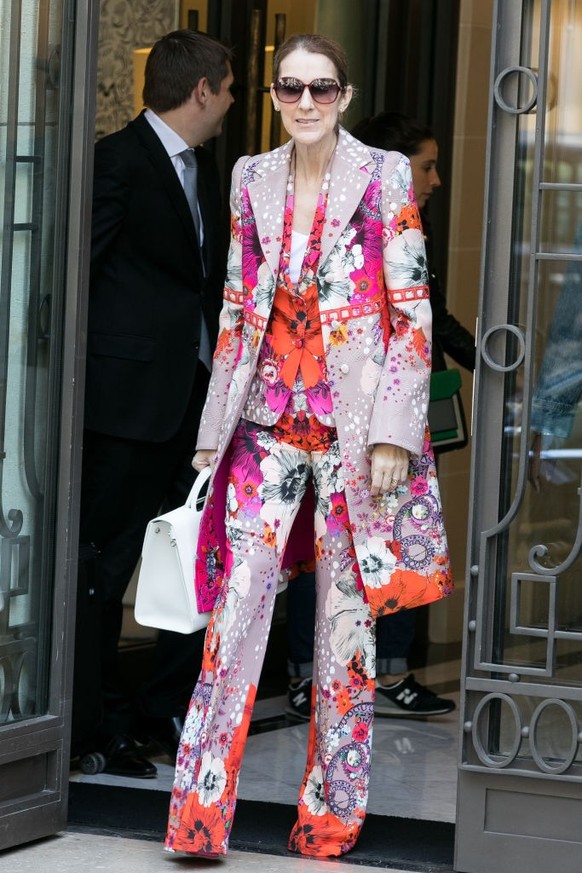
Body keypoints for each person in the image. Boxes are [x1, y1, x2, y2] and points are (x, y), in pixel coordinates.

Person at [165, 34, 453, 859]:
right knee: (233, 617)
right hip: (263, 426)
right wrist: (213, 433)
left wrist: (395, 432)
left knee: (344, 629)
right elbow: (235, 308)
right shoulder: (249, 176)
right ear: (273, 96)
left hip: (354, 434)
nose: (305, 102)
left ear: (345, 96)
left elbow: (412, 309)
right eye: (290, 88)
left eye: (321, 88)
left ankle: (330, 815)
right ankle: (197, 817)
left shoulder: (385, 174)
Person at [74, 29, 235, 779]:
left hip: (193, 404)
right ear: (202, 90)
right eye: (228, 89)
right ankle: (94, 724)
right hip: (126, 407)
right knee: (105, 569)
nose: (231, 103)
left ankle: (162, 709)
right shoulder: (116, 160)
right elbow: (78, 277)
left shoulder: (207, 169)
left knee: (193, 562)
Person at [286, 112, 476, 722]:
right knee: (322, 542)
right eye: (427, 166)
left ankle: (389, 672)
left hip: (404, 409)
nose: (436, 179)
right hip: (335, 409)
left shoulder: (410, 221)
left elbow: (428, 315)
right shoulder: (337, 219)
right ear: (393, 164)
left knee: (402, 534)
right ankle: (309, 674)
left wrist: (488, 357)